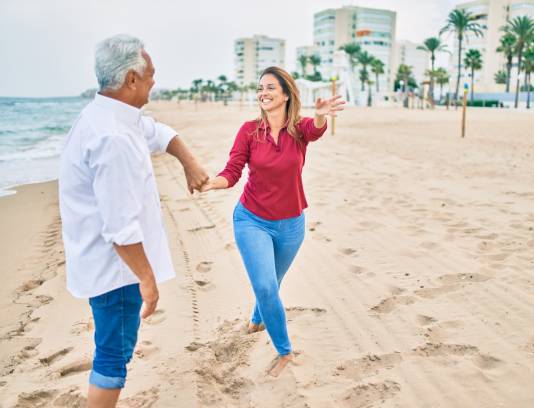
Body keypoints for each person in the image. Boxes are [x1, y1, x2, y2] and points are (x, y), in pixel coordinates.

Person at [58, 34, 208, 407]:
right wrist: (147, 278)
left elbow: (158, 133)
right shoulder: (111, 137)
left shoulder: (113, 115)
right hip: (116, 271)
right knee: (113, 357)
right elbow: (119, 229)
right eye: (150, 74)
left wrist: (189, 162)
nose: (155, 81)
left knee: (113, 348)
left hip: (109, 266)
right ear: (131, 79)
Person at [201, 66, 345, 377]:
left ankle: (256, 320)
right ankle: (284, 352)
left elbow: (316, 130)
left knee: (272, 284)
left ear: (285, 94)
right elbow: (233, 170)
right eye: (260, 88)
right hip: (252, 219)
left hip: (292, 225)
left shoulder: (299, 129)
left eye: (270, 87)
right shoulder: (249, 131)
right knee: (266, 285)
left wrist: (320, 115)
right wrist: (213, 183)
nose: (263, 93)